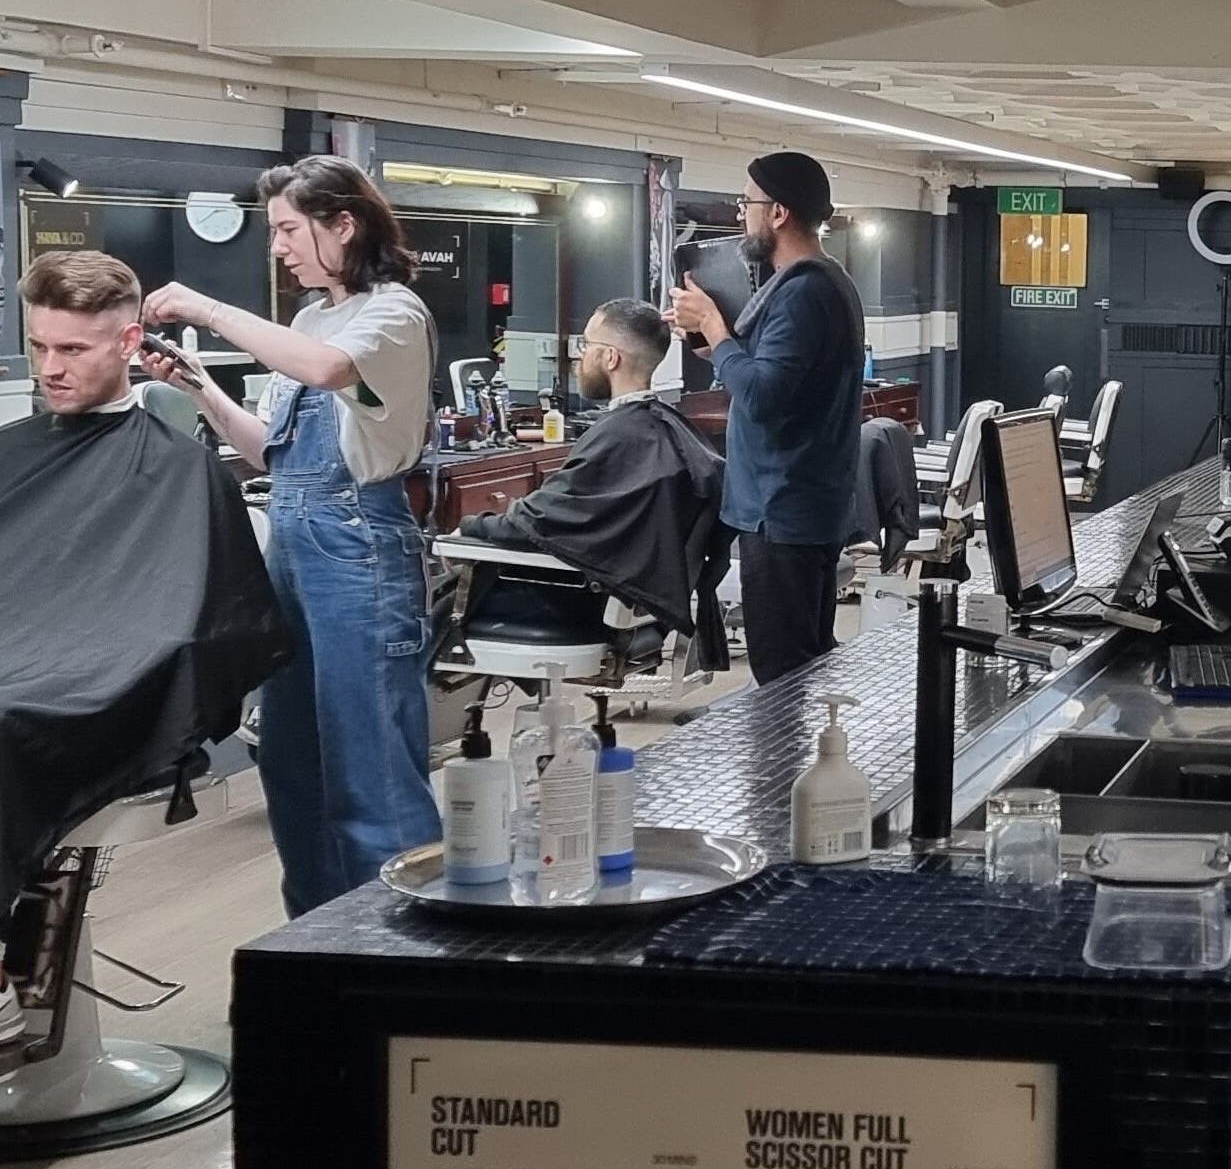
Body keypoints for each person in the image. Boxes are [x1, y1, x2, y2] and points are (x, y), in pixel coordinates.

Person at [141, 155, 441, 917]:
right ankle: (315, 948)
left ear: (345, 223)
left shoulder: (393, 316)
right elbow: (270, 450)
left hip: (359, 550)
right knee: (293, 764)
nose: (276, 247)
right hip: (295, 543)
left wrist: (209, 311)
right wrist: (199, 388)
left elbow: (330, 369)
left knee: (370, 770)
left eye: (286, 229)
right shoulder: (309, 317)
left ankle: (406, 958)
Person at [2, 252, 287, 1043]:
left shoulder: (180, 469)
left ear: (129, 342)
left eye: (74, 350)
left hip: (105, 683)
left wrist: (88, 659)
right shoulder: (12, 455)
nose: (51, 369)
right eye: (40, 346)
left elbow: (194, 624)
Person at [666, 151, 865, 686]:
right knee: (807, 664)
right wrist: (719, 350)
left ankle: (784, 771)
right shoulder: (825, 280)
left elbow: (762, 398)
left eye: (746, 203)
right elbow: (779, 377)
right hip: (803, 507)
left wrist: (715, 327)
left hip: (784, 512)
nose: (740, 216)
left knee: (782, 676)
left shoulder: (802, 292)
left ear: (778, 212)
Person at [457, 299, 731, 665]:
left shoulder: (620, 437)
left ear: (610, 358)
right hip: (628, 608)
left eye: (586, 346)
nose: (579, 357)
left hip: (575, 606)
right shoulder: (666, 429)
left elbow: (536, 521)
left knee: (436, 606)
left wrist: (469, 528)